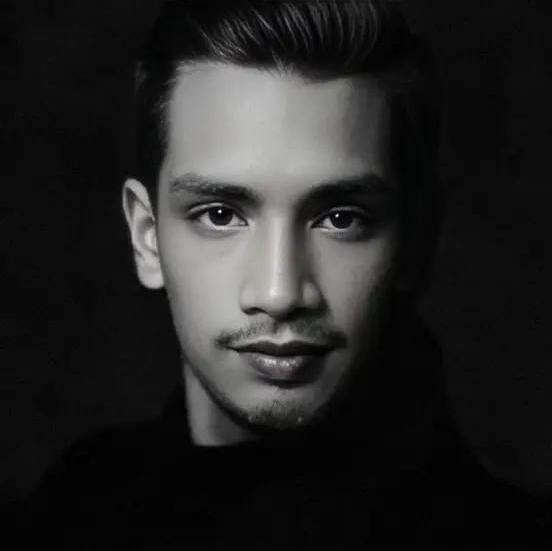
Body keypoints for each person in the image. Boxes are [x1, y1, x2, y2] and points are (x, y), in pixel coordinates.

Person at [20, 0, 538, 547]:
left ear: (414, 241)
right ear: (147, 238)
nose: (279, 292)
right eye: (220, 215)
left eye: (341, 218)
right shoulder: (71, 511)